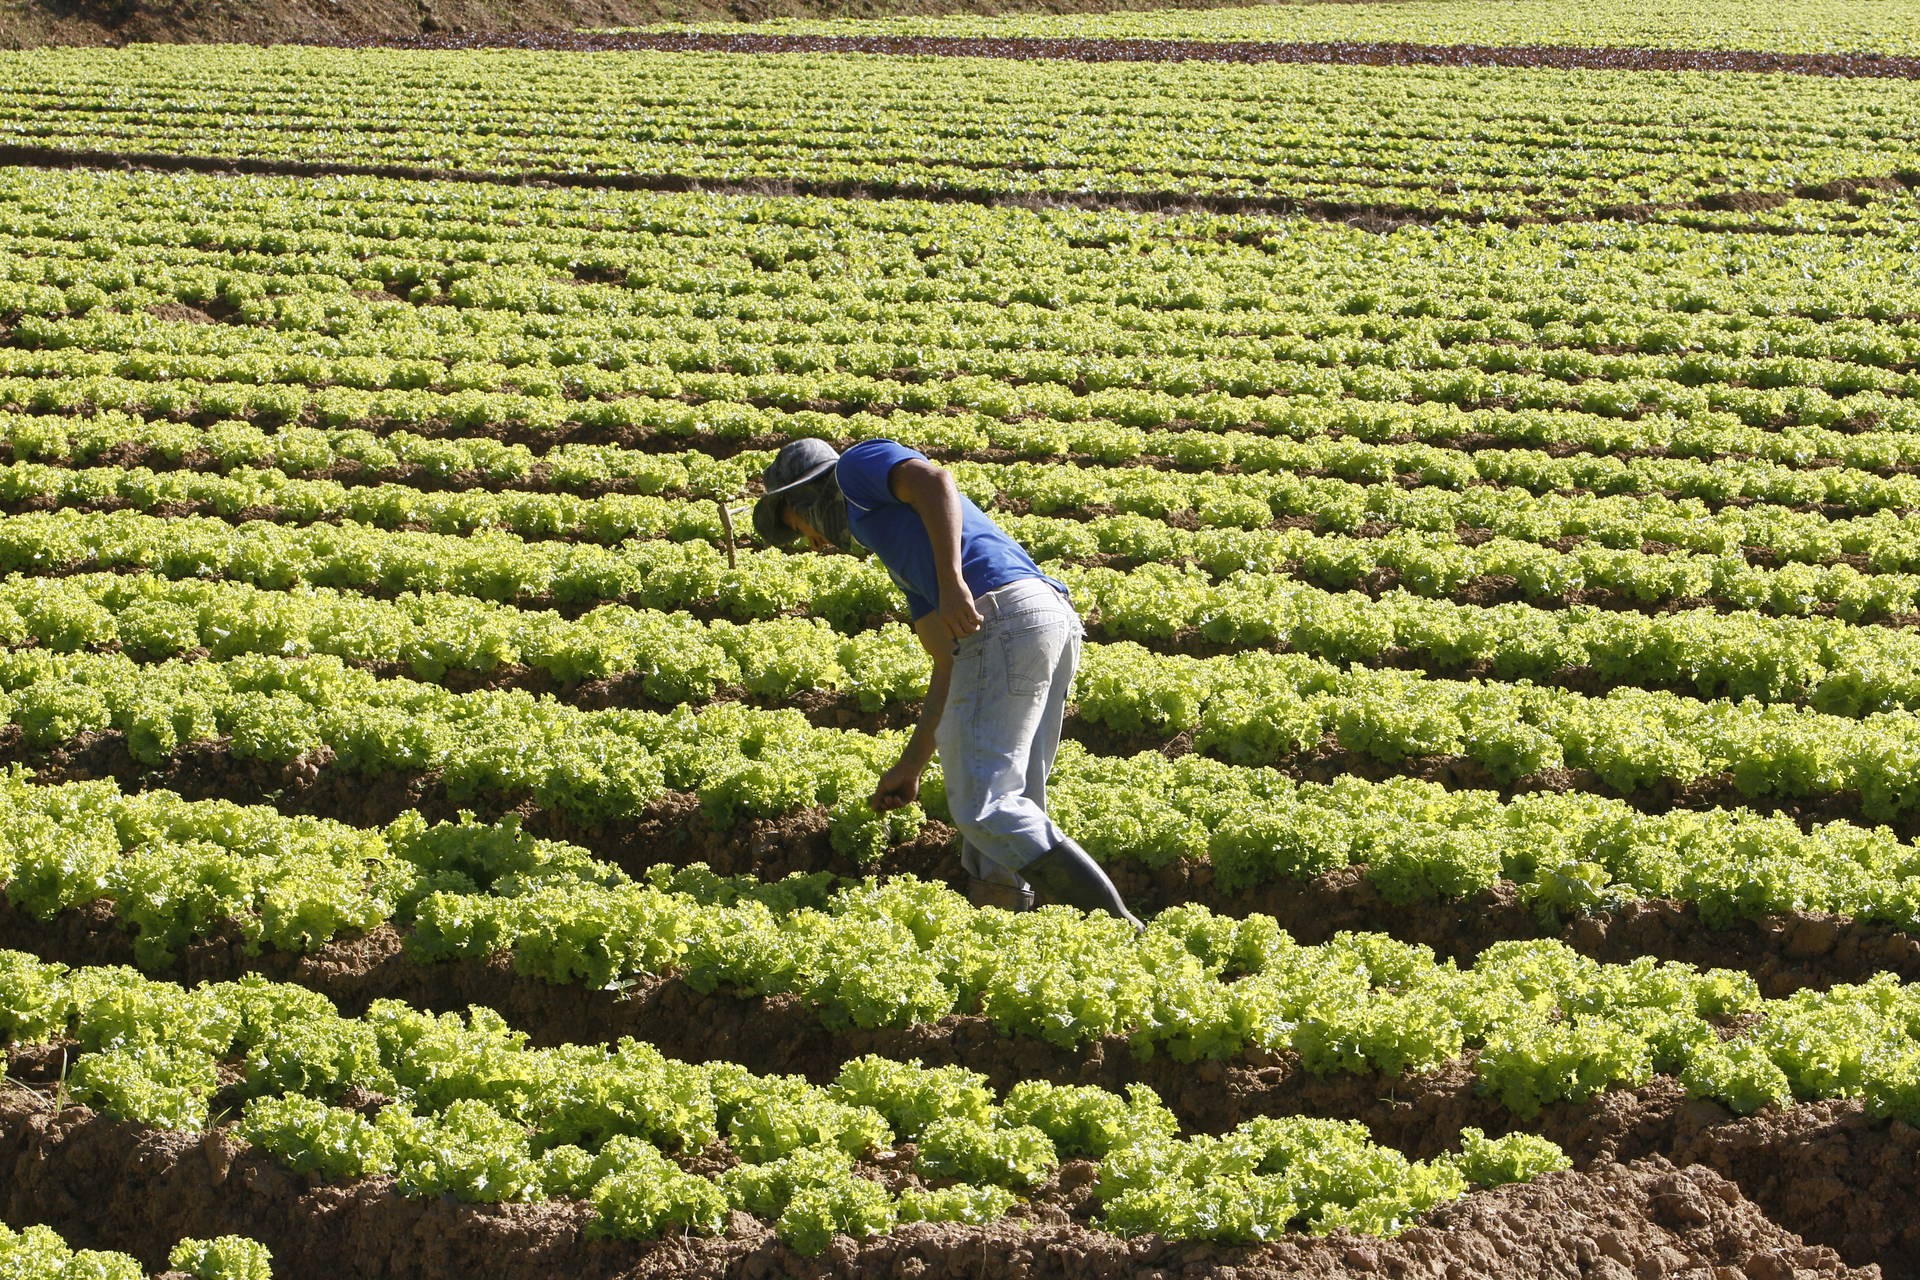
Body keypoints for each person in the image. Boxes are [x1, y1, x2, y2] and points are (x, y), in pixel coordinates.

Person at [753, 437, 1141, 927]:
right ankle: (1002, 918)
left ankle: (1117, 924)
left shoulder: (854, 469)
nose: (811, 542)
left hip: (1004, 614)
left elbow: (935, 482)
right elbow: (950, 663)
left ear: (804, 497)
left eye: (796, 526)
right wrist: (911, 764)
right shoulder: (899, 550)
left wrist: (953, 582)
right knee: (1012, 799)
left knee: (984, 804)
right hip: (1043, 620)